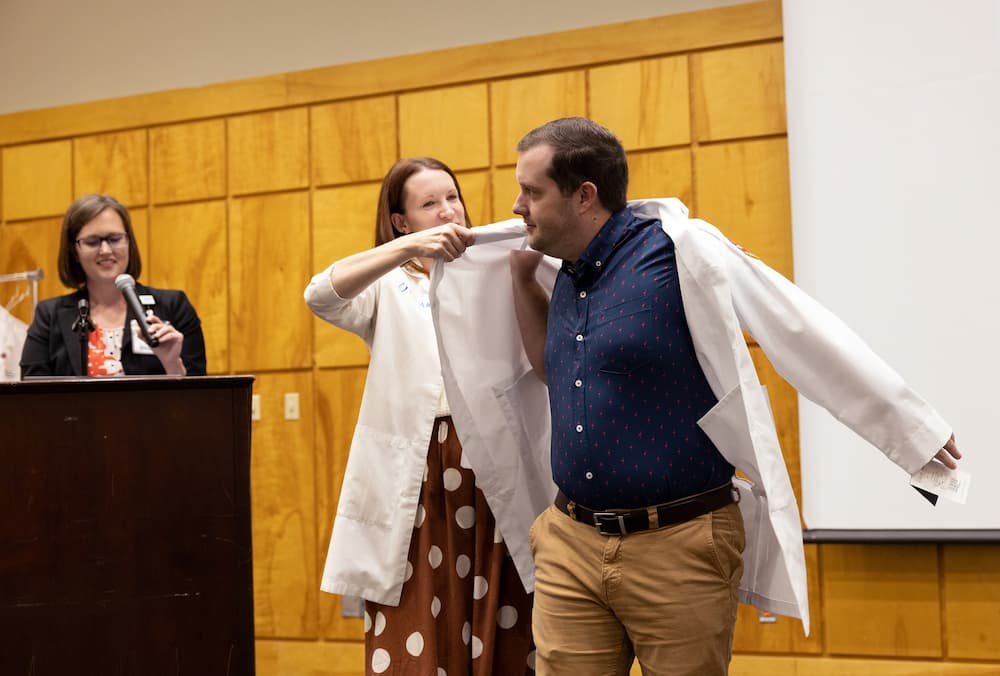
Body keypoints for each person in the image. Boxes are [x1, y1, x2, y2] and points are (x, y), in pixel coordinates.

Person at [492, 117, 962, 675]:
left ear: (585, 195)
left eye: (532, 191)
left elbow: (798, 329)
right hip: (569, 543)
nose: (517, 205)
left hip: (679, 545)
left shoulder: (683, 254)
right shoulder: (562, 272)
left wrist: (910, 432)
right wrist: (523, 282)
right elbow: (556, 372)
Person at [304, 157, 535, 675]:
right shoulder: (389, 282)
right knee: (418, 613)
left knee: (501, 613)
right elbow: (319, 294)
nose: (447, 211)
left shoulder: (496, 265)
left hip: (492, 464)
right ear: (401, 222)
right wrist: (407, 250)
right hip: (418, 473)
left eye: (452, 197)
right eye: (429, 204)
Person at [20, 193, 206, 377]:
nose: (105, 250)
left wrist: (172, 363)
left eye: (114, 239)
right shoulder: (49, 315)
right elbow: (31, 396)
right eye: (92, 242)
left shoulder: (174, 306)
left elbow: (201, 398)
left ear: (128, 242)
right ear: (74, 251)